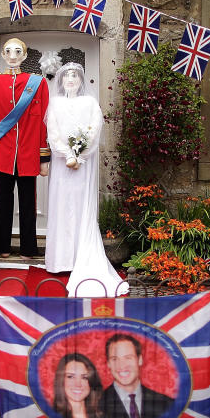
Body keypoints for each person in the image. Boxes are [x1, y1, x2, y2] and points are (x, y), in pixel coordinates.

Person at [44, 62, 128, 297]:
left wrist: (80, 153)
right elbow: (53, 132)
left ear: (81, 80)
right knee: (62, 206)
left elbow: (95, 128)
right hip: (62, 164)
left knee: (81, 207)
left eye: (75, 76)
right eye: (67, 76)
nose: (70, 79)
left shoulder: (90, 103)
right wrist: (67, 153)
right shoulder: (55, 103)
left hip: (83, 165)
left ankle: (81, 256)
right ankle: (61, 260)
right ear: (60, 80)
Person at [0, 38, 50, 258]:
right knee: (3, 200)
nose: (12, 55)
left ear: (25, 56)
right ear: (2, 54)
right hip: (2, 151)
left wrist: (43, 156)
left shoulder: (37, 82)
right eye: (8, 51)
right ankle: (1, 245)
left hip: (29, 151)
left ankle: (29, 247)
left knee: (29, 201)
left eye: (18, 51)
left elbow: (44, 120)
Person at [102, 333, 173, 418]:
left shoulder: (167, 404)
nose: (121, 366)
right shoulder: (94, 405)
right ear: (108, 364)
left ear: (140, 360)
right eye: (114, 359)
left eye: (128, 358)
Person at [52, 352, 105, 418]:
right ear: (61, 380)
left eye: (84, 377)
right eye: (70, 377)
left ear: (91, 381)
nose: (78, 384)